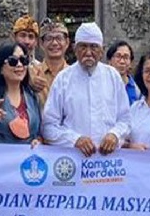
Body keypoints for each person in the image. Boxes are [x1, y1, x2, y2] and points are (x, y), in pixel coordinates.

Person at [43, 22, 131, 157]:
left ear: (102, 50)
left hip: (109, 163)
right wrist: (74, 140)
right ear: (74, 49)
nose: (88, 52)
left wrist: (115, 135)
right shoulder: (63, 79)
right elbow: (48, 127)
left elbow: (125, 120)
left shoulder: (113, 76)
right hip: (73, 160)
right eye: (83, 46)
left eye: (94, 47)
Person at [30, 19, 71, 104]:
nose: (55, 43)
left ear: (67, 42)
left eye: (59, 38)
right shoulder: (31, 72)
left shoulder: (74, 74)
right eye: (49, 39)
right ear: (41, 43)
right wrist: (29, 85)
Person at [107, 40, 141, 105]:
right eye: (118, 56)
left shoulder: (137, 89)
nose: (122, 61)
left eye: (126, 57)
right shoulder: (102, 84)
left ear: (131, 62)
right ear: (109, 61)